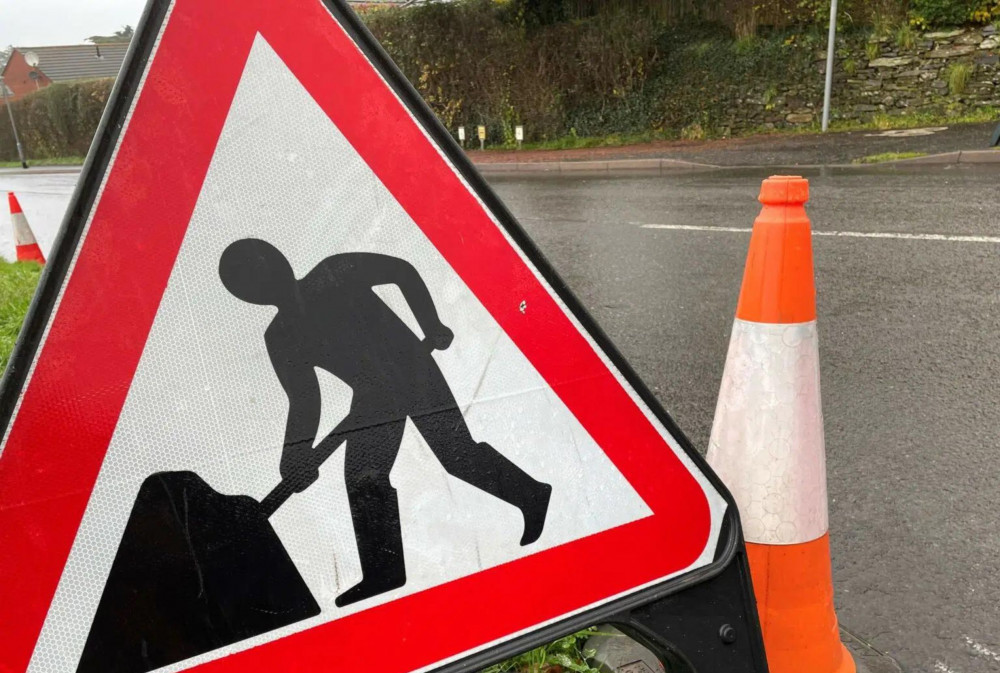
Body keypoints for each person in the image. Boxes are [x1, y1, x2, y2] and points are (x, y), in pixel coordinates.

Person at [219, 239, 552, 607]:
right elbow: (304, 399)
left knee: (457, 456)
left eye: (261, 270)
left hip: (413, 371)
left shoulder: (335, 271)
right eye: (249, 281)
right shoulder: (281, 335)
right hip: (371, 398)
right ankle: (384, 572)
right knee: (364, 477)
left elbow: (401, 272)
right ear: (246, 296)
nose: (261, 282)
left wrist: (431, 323)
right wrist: (294, 455)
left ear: (280, 261)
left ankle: (532, 495)